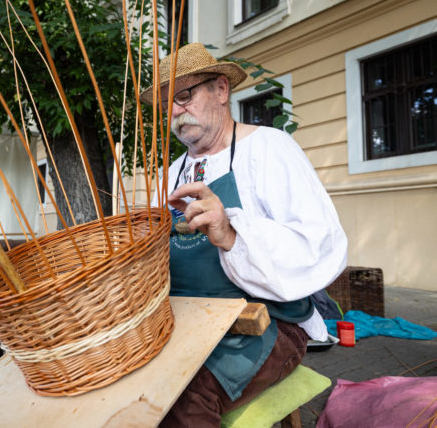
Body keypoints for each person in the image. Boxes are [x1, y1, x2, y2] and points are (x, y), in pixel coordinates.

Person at [139, 43, 348, 427]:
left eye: (184, 96)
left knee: (183, 399)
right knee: (132, 386)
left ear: (221, 89)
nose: (175, 112)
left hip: (266, 325)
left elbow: (320, 245)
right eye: (167, 104)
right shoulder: (171, 173)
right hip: (186, 322)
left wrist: (231, 232)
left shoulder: (269, 148)